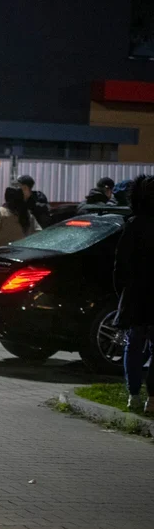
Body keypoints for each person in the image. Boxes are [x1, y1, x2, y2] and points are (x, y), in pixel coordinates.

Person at [113, 175, 154, 413]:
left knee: (134, 345)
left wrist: (123, 292)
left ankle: (134, 395)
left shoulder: (133, 224)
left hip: (136, 294)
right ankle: (152, 399)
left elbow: (121, 264)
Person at [0, 184, 39, 248]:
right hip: (24, 253)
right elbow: (38, 232)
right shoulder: (27, 214)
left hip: (5, 253)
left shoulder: (1, 212)